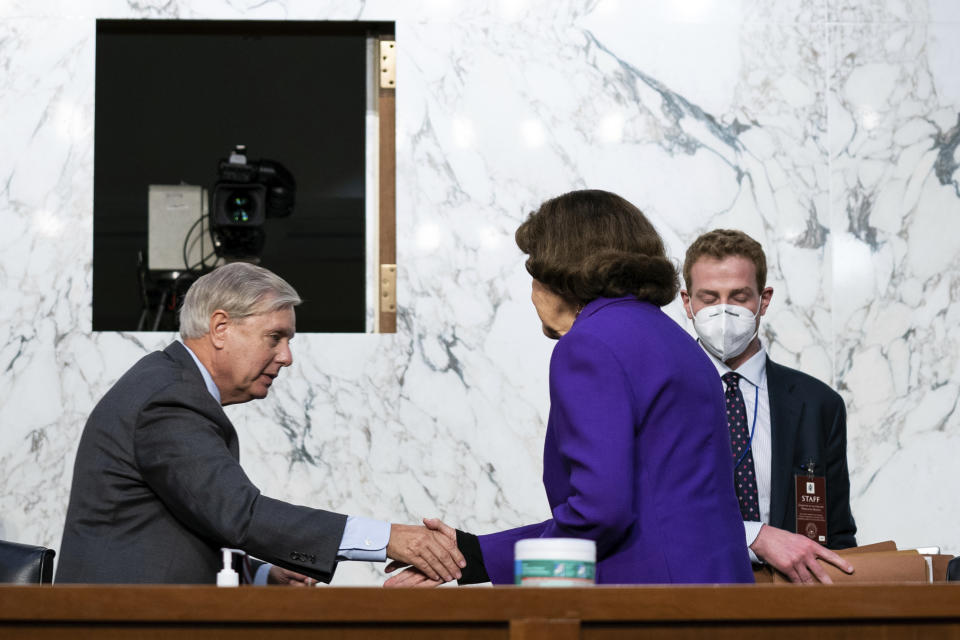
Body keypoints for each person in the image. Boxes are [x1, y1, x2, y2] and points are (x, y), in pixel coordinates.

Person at [386, 190, 753, 586]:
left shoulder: (589, 344)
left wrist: (484, 567)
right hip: (715, 594)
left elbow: (602, 511)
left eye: (532, 271)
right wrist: (473, 556)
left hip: (646, 606)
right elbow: (657, 503)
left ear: (558, 271)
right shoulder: (674, 338)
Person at [56, 262, 465, 585]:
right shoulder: (169, 398)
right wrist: (388, 537)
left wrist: (262, 574)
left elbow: (188, 523)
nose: (286, 356)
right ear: (220, 328)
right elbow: (238, 514)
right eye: (275, 337)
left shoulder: (169, 384)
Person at [680, 229, 857, 583]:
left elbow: (837, 536)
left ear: (764, 299)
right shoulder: (662, 397)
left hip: (794, 604)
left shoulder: (818, 404)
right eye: (709, 298)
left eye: (739, 296)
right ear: (688, 303)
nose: (724, 311)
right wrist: (754, 537)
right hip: (691, 597)